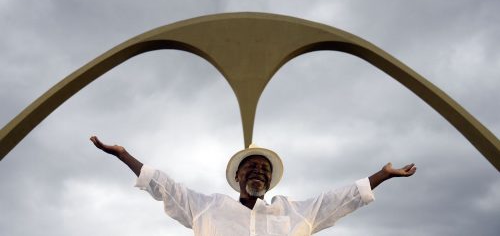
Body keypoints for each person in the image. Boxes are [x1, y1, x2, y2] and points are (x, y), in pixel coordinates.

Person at [90, 136, 416, 236]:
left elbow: (338, 200)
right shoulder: (208, 208)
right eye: (252, 167)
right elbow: (165, 188)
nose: (259, 172)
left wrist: (381, 175)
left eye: (264, 169)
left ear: (270, 181)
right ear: (238, 178)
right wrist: (124, 155)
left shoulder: (293, 214)